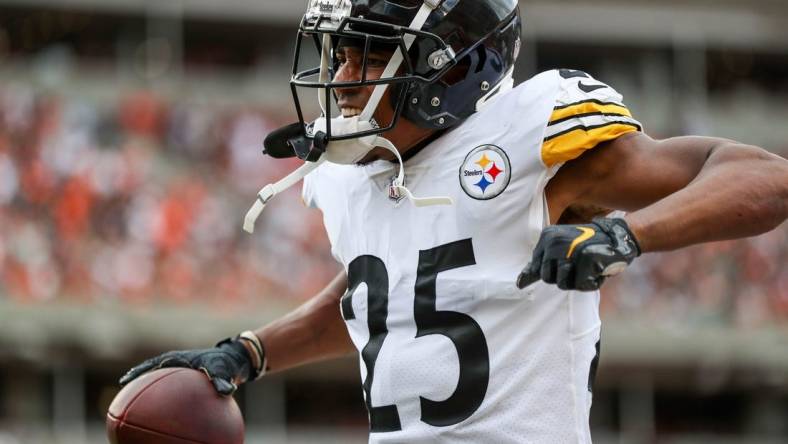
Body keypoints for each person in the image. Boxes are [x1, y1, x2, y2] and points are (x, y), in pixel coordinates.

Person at [120, 1, 788, 442]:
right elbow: (383, 296)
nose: (343, 79)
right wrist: (250, 351)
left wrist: (627, 234)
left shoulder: (530, 139)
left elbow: (765, 177)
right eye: (341, 55)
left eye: (370, 57)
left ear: (452, 66)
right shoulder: (357, 179)